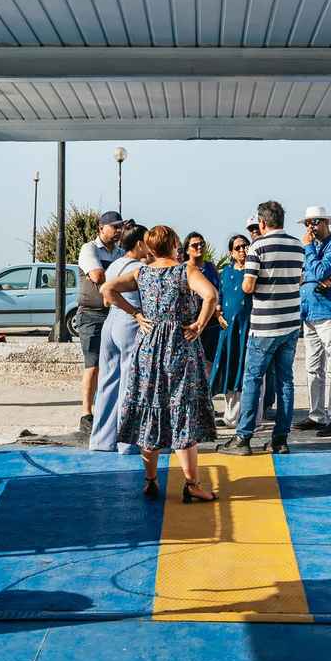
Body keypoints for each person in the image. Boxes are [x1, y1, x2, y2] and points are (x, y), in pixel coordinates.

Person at [103, 225, 220, 503]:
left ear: (150, 247)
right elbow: (211, 295)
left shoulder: (141, 273)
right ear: (174, 245)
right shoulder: (185, 271)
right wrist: (200, 325)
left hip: (149, 346)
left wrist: (135, 314)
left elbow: (107, 289)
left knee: (150, 409)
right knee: (182, 412)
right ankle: (192, 484)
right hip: (180, 345)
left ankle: (151, 480)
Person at [218, 200, 304, 456]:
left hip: (264, 326)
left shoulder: (258, 247)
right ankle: (280, 439)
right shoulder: (298, 246)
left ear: (262, 223)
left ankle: (243, 438)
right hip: (290, 324)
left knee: (252, 379)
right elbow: (298, 279)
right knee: (285, 382)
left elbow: (248, 286)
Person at [89, 223, 149, 453]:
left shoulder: (115, 264)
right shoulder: (138, 268)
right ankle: (127, 443)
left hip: (110, 323)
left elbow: (106, 298)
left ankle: (102, 440)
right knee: (129, 382)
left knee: (107, 381)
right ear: (140, 243)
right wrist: (136, 312)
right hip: (130, 323)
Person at [297, 206, 331, 437]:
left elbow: (320, 271)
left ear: (327, 222)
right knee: (312, 368)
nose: (311, 227)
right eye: (307, 223)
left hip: (330, 314)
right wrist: (313, 275)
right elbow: (306, 275)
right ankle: (316, 415)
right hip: (309, 314)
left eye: (315, 222)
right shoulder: (315, 248)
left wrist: (309, 252)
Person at [75, 211, 125, 438]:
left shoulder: (120, 252)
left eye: (120, 227)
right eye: (114, 227)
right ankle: (86, 414)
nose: (118, 231)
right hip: (92, 315)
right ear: (101, 228)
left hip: (114, 312)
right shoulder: (90, 249)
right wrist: (120, 281)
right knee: (92, 364)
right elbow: (96, 275)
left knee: (115, 364)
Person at [209, 234, 254, 429]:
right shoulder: (225, 272)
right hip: (228, 330)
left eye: (245, 246)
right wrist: (218, 316)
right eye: (238, 248)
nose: (242, 250)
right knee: (227, 369)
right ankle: (228, 414)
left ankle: (243, 417)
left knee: (244, 372)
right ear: (231, 253)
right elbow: (218, 297)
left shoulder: (254, 272)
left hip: (248, 328)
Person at [183, 231, 222, 368]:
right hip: (192, 323)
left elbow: (219, 289)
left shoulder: (210, 267)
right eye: (195, 245)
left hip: (212, 322)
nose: (199, 247)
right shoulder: (183, 269)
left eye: (202, 244)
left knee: (210, 362)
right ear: (187, 249)